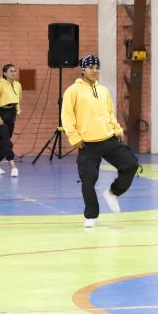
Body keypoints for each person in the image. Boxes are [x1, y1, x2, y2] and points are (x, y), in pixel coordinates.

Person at [61, 55, 139, 228]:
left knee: (131, 164)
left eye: (97, 67)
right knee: (88, 180)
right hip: (87, 144)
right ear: (83, 69)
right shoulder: (73, 91)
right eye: (91, 68)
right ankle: (91, 216)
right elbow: (67, 116)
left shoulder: (103, 90)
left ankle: (113, 193)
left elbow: (109, 113)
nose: (95, 71)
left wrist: (117, 129)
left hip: (108, 139)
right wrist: (74, 137)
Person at [0, 64, 22, 177]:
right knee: (6, 141)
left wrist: (17, 112)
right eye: (11, 71)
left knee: (4, 141)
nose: (14, 73)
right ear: (5, 73)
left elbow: (18, 99)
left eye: (15, 71)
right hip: (1, 114)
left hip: (11, 113)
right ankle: (13, 166)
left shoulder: (18, 85)